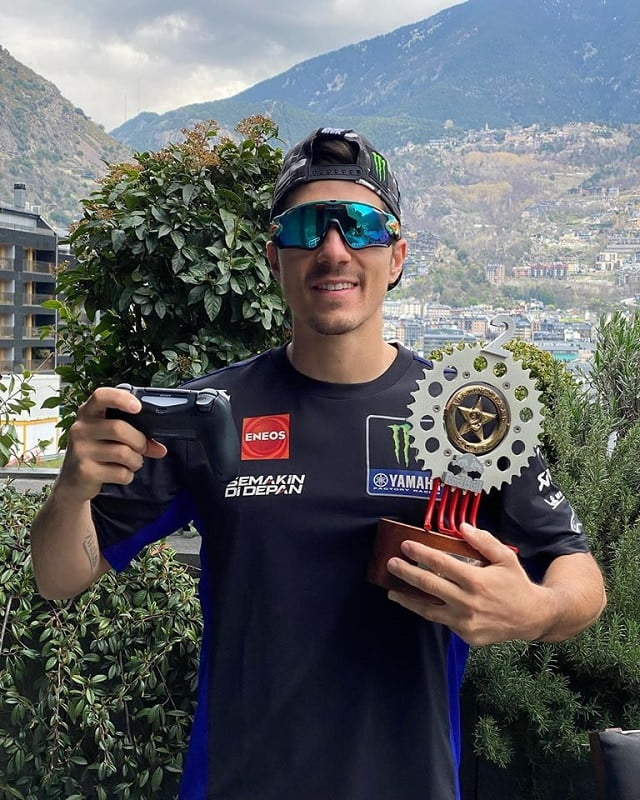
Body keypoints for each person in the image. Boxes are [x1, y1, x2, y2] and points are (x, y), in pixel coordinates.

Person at [30, 127, 606, 800]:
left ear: (396, 256)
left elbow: (579, 574)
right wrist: (70, 490)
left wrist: (534, 610)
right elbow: (57, 576)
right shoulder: (214, 412)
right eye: (307, 227)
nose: (334, 249)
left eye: (361, 225)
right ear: (275, 258)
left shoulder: (466, 413)